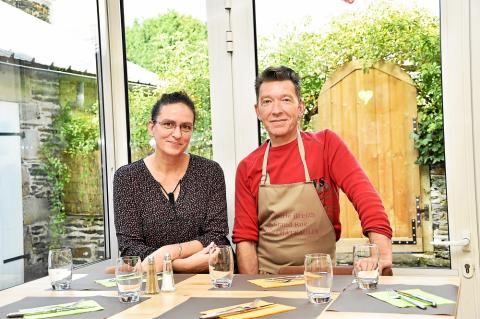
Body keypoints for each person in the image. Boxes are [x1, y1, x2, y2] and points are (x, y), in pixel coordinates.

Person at [233, 66, 392, 274]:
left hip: (322, 280)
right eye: (267, 101)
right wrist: (250, 290)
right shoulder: (248, 167)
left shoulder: (326, 145)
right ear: (258, 111)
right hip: (269, 282)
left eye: (286, 99)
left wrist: (381, 252)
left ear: (300, 107)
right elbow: (245, 238)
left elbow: (365, 196)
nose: (276, 110)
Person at [113, 91, 230, 273]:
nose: (177, 134)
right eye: (168, 124)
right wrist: (179, 265)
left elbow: (217, 236)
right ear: (151, 127)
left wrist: (169, 252)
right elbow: (130, 247)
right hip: (153, 282)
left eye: (186, 127)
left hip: (209, 277)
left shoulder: (210, 172)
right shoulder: (127, 177)